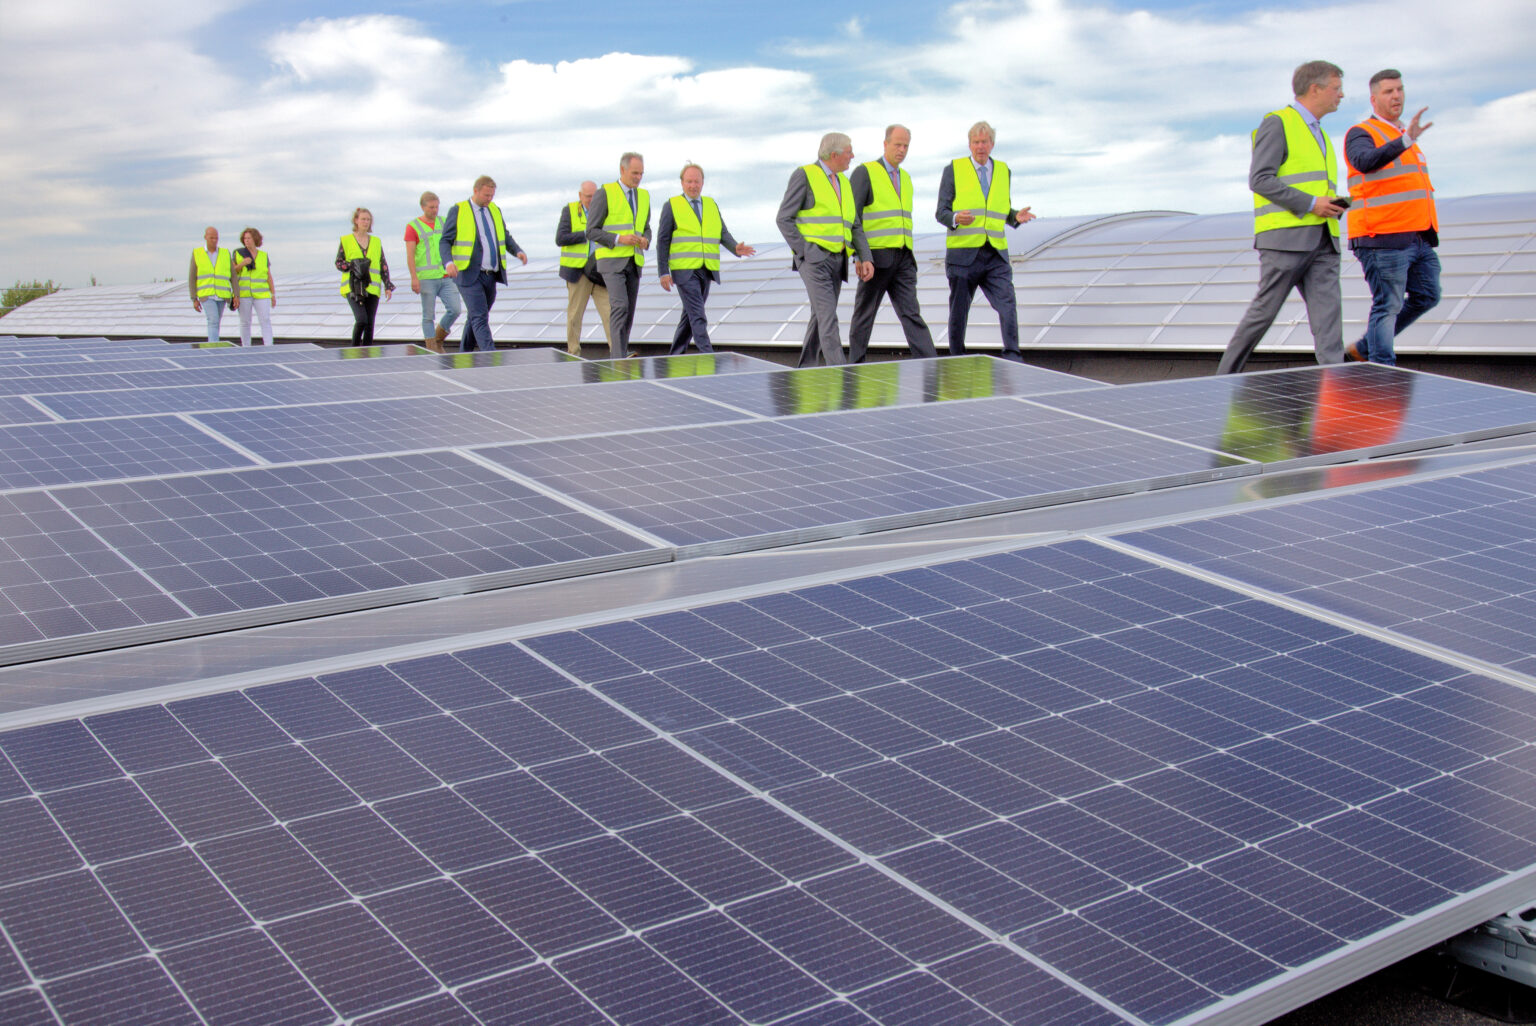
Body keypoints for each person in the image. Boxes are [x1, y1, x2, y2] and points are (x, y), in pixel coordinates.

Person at [1217, 60, 1349, 374]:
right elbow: (1260, 179)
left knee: (1329, 323)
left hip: (1323, 239)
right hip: (1285, 240)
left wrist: (1329, 206)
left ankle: (1337, 389)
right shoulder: (1278, 123)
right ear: (1315, 89)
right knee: (1263, 314)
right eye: (1337, 88)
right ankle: (1222, 380)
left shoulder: (1321, 135)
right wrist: (1311, 203)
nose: (1342, 95)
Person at [1343, 69, 1441, 365]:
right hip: (1381, 237)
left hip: (1417, 236)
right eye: (1388, 91)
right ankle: (1381, 369)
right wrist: (1405, 141)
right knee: (1388, 303)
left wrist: (1406, 139)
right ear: (1374, 99)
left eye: (1399, 89)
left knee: (1427, 295)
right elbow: (1364, 162)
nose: (1396, 95)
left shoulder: (1403, 136)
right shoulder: (1362, 132)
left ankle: (1365, 348)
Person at [935, 121, 1037, 361]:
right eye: (976, 142)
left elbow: (997, 209)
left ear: (992, 144)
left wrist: (1015, 217)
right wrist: (955, 218)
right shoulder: (954, 169)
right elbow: (941, 212)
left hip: (995, 254)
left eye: (984, 142)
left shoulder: (1003, 170)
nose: (980, 147)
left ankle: (1012, 355)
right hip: (963, 256)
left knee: (1007, 303)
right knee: (959, 310)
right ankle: (956, 357)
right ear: (970, 144)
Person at [775, 132, 874, 367]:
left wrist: (865, 256)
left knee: (820, 317)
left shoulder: (844, 183)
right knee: (829, 318)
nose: (853, 156)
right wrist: (806, 252)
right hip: (814, 260)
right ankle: (840, 374)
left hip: (838, 261)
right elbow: (783, 219)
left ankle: (806, 369)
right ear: (834, 155)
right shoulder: (805, 176)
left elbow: (855, 225)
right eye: (849, 151)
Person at [847, 125, 937, 362]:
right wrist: (859, 255)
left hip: (904, 258)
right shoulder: (865, 172)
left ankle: (931, 365)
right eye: (897, 144)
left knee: (912, 314)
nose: (902, 150)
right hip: (874, 258)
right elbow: (851, 217)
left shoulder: (905, 178)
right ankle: (854, 369)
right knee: (864, 316)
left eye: (906, 145)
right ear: (885, 143)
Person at [657, 163, 755, 355]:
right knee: (698, 315)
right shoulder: (672, 206)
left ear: (702, 183)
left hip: (706, 269)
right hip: (684, 271)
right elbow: (663, 240)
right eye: (689, 181)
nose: (693, 185)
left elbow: (722, 232)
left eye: (697, 181)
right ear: (682, 183)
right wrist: (663, 272)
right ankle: (707, 355)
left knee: (690, 316)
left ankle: (674, 356)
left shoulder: (711, 204)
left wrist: (735, 247)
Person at [441, 175, 528, 352]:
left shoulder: (494, 210)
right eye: (486, 195)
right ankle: (490, 355)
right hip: (468, 274)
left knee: (475, 316)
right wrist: (448, 262)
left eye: (492, 196)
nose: (489, 199)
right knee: (480, 317)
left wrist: (517, 251)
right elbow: (445, 240)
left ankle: (463, 355)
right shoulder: (458, 210)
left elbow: (504, 235)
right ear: (476, 191)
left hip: (491, 275)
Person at [586, 153, 651, 358]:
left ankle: (621, 354)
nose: (638, 177)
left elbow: (646, 227)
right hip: (611, 261)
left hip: (634, 261)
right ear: (622, 170)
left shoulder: (644, 196)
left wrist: (646, 239)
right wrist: (619, 239)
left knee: (628, 313)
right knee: (620, 306)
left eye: (641, 173)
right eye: (634, 173)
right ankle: (617, 359)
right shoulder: (605, 193)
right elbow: (591, 231)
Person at [556, 181, 611, 356]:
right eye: (588, 196)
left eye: (595, 196)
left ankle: (618, 351)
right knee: (575, 315)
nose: (592, 200)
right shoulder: (570, 211)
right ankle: (573, 352)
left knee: (610, 312)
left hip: (599, 271)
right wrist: (587, 234)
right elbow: (561, 238)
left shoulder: (605, 211)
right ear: (580, 196)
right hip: (578, 273)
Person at [405, 191, 462, 353]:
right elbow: (410, 255)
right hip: (426, 278)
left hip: (446, 276)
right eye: (431, 207)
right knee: (428, 316)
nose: (435, 210)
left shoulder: (444, 223)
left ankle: (437, 340)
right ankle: (432, 349)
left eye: (437, 207)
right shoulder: (413, 227)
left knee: (455, 309)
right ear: (423, 207)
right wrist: (413, 278)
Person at [335, 208, 394, 347]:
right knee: (361, 319)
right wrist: (353, 266)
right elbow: (338, 263)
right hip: (353, 287)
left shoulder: (376, 241)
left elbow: (382, 264)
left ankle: (367, 354)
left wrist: (388, 285)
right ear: (356, 220)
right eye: (363, 219)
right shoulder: (346, 240)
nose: (366, 222)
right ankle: (354, 349)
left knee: (370, 324)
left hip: (372, 288)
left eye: (368, 219)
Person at [189, 226, 236, 344]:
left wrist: (236, 295)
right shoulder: (197, 253)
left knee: (216, 321)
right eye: (211, 238)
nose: (214, 240)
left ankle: (214, 344)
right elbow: (192, 277)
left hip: (222, 295)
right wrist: (194, 298)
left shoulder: (225, 253)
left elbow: (233, 276)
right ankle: (213, 348)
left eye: (216, 238)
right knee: (213, 320)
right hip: (206, 295)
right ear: (205, 237)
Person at [232, 227, 275, 345]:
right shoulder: (238, 253)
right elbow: (233, 271)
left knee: (265, 320)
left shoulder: (263, 256)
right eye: (245, 238)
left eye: (249, 238)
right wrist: (242, 264)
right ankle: (246, 347)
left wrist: (273, 294)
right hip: (244, 294)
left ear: (255, 239)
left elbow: (268, 275)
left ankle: (269, 346)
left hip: (261, 294)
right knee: (245, 322)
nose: (247, 241)